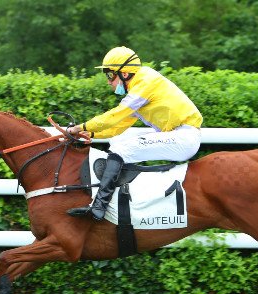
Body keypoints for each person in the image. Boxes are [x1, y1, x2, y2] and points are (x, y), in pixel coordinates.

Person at [66, 46, 203, 220]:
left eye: (110, 75)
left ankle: (99, 207)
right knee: (119, 143)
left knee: (121, 150)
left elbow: (114, 116)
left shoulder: (145, 82)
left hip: (182, 138)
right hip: (178, 136)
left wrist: (79, 128)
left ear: (124, 73)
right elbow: (118, 127)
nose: (108, 81)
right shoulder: (138, 89)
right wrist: (91, 135)